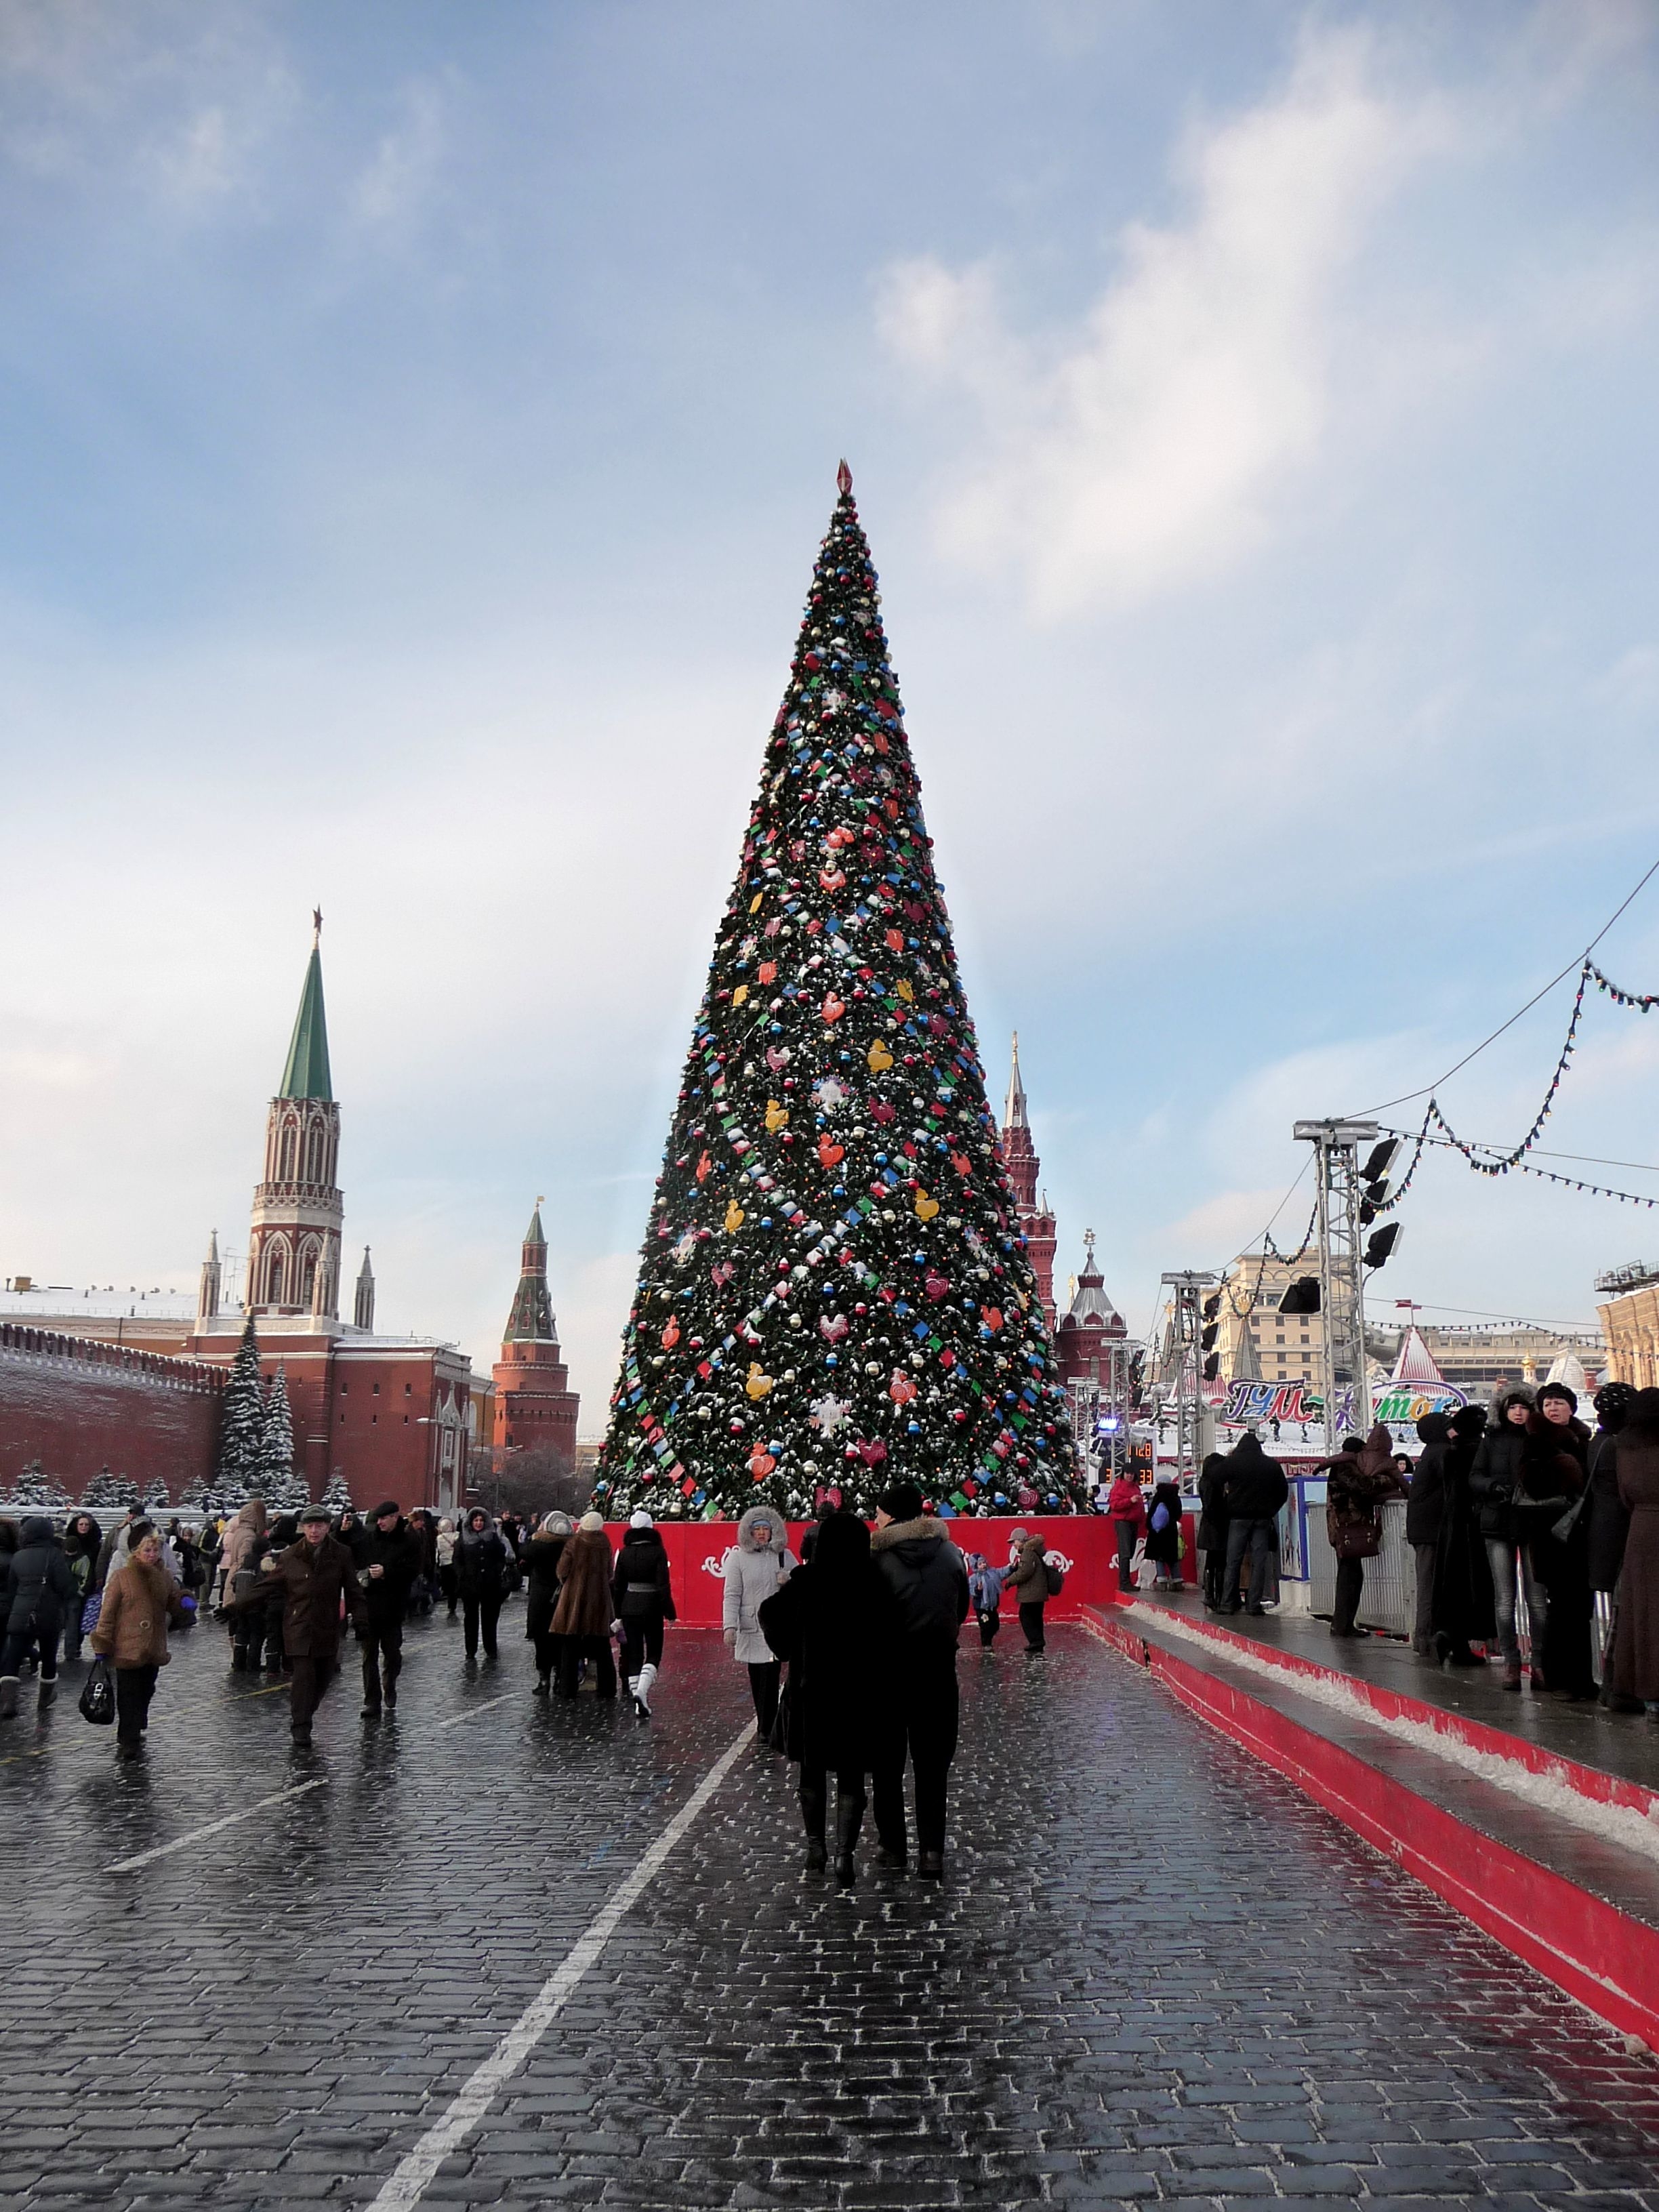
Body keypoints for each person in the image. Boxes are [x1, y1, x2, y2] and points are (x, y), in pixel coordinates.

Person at [760, 1509, 901, 1885]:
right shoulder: (875, 1583)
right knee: (852, 1778)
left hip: (812, 1694)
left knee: (811, 1771)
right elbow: (893, 1639)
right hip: (859, 1697)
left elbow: (769, 1613)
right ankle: (845, 1856)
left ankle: (815, 1849)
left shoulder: (806, 1581)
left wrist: (790, 1648)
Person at [869, 1484, 969, 1881]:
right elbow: (960, 1608)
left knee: (886, 1766)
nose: (874, 1520)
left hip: (889, 1675)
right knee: (932, 1767)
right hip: (938, 1673)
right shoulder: (950, 1554)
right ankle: (932, 1853)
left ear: (891, 1517)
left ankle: (892, 1847)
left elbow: (870, 1617)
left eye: (878, 1513)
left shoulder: (877, 1558)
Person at [1469, 1386, 1578, 1692]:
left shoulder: (1540, 1440)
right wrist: (1493, 1487)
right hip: (1498, 1524)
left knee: (1537, 1601)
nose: (1518, 1413)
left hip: (1533, 1525)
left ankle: (1540, 1662)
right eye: (1512, 1407)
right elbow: (1474, 1477)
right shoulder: (1491, 1441)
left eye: (1523, 1407)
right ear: (1503, 1411)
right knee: (1505, 1600)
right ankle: (1512, 1662)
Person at [230, 1502, 367, 1744]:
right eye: (310, 1526)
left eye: (320, 1526)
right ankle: (300, 1725)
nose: (314, 1531)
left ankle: (306, 1714)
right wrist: (236, 1606)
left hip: (327, 1626)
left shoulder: (341, 1554)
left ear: (327, 1527)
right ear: (303, 1528)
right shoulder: (291, 1555)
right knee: (303, 1678)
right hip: (298, 1625)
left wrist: (362, 1621)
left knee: (324, 1677)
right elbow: (270, 1585)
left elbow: (353, 1590)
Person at [89, 1523, 190, 1755]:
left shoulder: (164, 1576)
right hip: (127, 1646)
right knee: (128, 1693)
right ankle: (128, 1738)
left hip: (153, 1645)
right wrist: (102, 1642)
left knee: (146, 1689)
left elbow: (171, 1601)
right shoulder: (122, 1576)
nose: (152, 1555)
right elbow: (108, 1612)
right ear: (137, 1552)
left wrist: (183, 1601)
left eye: (155, 1551)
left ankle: (137, 1721)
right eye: (147, 1551)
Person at [1534, 1380, 1596, 1699]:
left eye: (1559, 1403)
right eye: (1547, 1404)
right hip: (1552, 1536)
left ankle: (1581, 1678)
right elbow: (1532, 1486)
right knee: (1561, 1608)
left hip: (1581, 1534)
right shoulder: (1537, 1442)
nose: (1553, 1409)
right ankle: (1561, 1678)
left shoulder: (1586, 1440)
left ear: (1571, 1407)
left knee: (1581, 1608)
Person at [1318, 1427, 1406, 1638]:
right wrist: (1387, 1481)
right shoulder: (1345, 1467)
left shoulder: (1341, 1466)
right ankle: (1342, 1625)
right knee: (1350, 1576)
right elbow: (1362, 1487)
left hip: (1345, 1525)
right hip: (1347, 1526)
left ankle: (1344, 1624)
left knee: (1352, 1575)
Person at [1427, 1403, 1496, 1666]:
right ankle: (1458, 1640)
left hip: (1451, 1525)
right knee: (1473, 1585)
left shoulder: (1451, 1454)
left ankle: (1450, 1638)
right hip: (1474, 1525)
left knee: (1451, 1583)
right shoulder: (1479, 1451)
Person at [723, 1506, 796, 1741]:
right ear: (749, 1532)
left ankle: (768, 1726)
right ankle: (765, 1723)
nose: (762, 1534)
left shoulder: (783, 1555)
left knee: (772, 1675)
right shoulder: (738, 1557)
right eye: (758, 1529)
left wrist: (788, 1581)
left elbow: (802, 1586)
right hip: (752, 1626)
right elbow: (732, 1593)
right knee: (757, 1677)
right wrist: (729, 1626)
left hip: (775, 1627)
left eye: (766, 1528)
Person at [1609, 1386, 1659, 1719]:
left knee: (1641, 1614)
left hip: (1641, 1531)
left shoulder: (1623, 1447)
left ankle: (1647, 1694)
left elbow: (1624, 1496)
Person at [1588, 1382, 1639, 1709]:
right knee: (1626, 1614)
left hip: (1609, 1537)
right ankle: (1619, 1687)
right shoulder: (1618, 1447)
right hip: (1625, 1538)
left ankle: (1613, 1686)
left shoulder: (1599, 1443)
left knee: (1621, 1616)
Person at [350, 1500, 423, 1715]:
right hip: (369, 1605)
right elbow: (351, 1553)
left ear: (394, 1518)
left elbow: (413, 1570)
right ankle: (372, 1700)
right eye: (378, 1519)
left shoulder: (409, 1540)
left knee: (392, 1654)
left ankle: (389, 1682)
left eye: (384, 1519)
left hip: (393, 1606)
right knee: (368, 1656)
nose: (380, 1522)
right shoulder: (370, 1538)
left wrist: (387, 1572)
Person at [0, 1516, 78, 1718]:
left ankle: (9, 1701)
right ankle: (44, 1699)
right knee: (49, 1657)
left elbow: (12, 1587)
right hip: (48, 1615)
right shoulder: (54, 1555)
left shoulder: (18, 1556)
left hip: (20, 1614)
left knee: (13, 1657)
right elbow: (67, 1587)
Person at [612, 1509, 676, 1717]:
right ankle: (642, 1692)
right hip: (652, 1607)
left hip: (629, 1607)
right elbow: (663, 1586)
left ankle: (637, 1699)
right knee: (654, 1652)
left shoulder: (625, 1552)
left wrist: (618, 1613)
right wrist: (670, 1612)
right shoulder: (658, 1552)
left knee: (634, 1653)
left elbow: (618, 1586)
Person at [1219, 1432, 1288, 1616]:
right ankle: (1254, 1604)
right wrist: (1271, 1510)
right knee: (1259, 1562)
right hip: (1262, 1519)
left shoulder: (1232, 1463)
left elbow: (1214, 1477)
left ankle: (1227, 1603)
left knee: (1233, 1561)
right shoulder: (1271, 1465)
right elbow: (1283, 1491)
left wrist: (1227, 1505)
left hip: (1238, 1519)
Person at [550, 1509, 615, 1698]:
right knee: (603, 1648)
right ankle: (608, 1689)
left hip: (575, 1600)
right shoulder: (604, 1543)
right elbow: (610, 1573)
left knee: (570, 1647)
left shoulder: (574, 1542)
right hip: (599, 1601)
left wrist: (569, 1583)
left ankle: (568, 1689)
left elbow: (562, 1570)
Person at [523, 1511, 573, 1694]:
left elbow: (524, 1553)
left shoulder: (538, 1545)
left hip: (540, 1599)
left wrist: (536, 1535)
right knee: (561, 1639)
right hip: (563, 1596)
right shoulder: (570, 1545)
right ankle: (560, 1678)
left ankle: (544, 1680)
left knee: (541, 1640)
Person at [454, 1507, 510, 1663]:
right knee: (470, 1619)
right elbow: (458, 1559)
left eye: (481, 1520)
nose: (478, 1523)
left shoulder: (492, 1537)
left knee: (490, 1619)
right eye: (476, 1520)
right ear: (471, 1522)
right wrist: (462, 1575)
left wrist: (497, 1570)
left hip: (490, 1584)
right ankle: (470, 1650)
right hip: (470, 1585)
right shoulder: (463, 1539)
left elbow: (501, 1556)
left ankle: (490, 1648)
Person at [60, 1511, 104, 1665]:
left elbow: (100, 1562)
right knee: (72, 1618)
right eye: (81, 1524)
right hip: (71, 1586)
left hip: (87, 1585)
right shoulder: (68, 1542)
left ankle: (75, 1646)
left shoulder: (96, 1544)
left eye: (86, 1524)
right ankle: (72, 1647)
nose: (84, 1527)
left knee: (80, 1617)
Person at [1003, 1526, 1050, 1654]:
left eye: (1014, 1542)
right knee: (1036, 1617)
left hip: (1031, 1593)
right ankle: (1038, 1642)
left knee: (1026, 1616)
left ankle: (1035, 1641)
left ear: (1020, 1540)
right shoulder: (1033, 1550)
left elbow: (1025, 1572)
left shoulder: (1028, 1552)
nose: (1013, 1545)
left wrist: (1010, 1581)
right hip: (1038, 1591)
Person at [1196, 1453, 1230, 1611]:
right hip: (1216, 1526)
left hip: (1209, 1526)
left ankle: (1211, 1595)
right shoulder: (1214, 1483)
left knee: (1212, 1560)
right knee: (1219, 1561)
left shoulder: (1204, 1481)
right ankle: (1216, 1595)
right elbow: (1212, 1506)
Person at [1106, 1470, 1147, 1595]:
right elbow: (1115, 1505)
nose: (1130, 1475)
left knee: (1130, 1551)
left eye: (1132, 1473)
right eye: (1128, 1473)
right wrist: (1130, 1501)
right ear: (1123, 1474)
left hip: (1133, 1521)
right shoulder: (1118, 1488)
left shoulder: (1135, 1487)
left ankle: (1126, 1581)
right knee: (1125, 1552)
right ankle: (1124, 1582)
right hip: (1123, 1521)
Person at [1143, 1477, 1184, 1593]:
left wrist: (1149, 1526)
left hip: (1157, 1532)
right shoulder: (1175, 1496)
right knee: (1172, 1557)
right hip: (1171, 1531)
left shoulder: (1158, 1496)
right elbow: (1178, 1513)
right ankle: (1177, 1581)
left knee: (1159, 1557)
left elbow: (1152, 1513)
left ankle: (1162, 1582)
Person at [964, 1551, 1004, 1646]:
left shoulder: (992, 1573)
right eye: (980, 1564)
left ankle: (988, 1639)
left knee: (995, 1625)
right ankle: (986, 1644)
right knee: (985, 1626)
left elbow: (1002, 1572)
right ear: (975, 1566)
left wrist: (1011, 1568)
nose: (983, 1565)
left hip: (992, 1606)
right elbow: (971, 1591)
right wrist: (978, 1590)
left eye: (984, 1563)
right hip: (981, 1607)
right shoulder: (973, 1578)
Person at [436, 1517, 459, 1618]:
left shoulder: (439, 1538)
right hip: (454, 1562)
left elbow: (440, 1550)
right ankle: (453, 1604)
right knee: (455, 1584)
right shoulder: (457, 1535)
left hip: (444, 1563)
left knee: (448, 1584)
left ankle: (449, 1601)